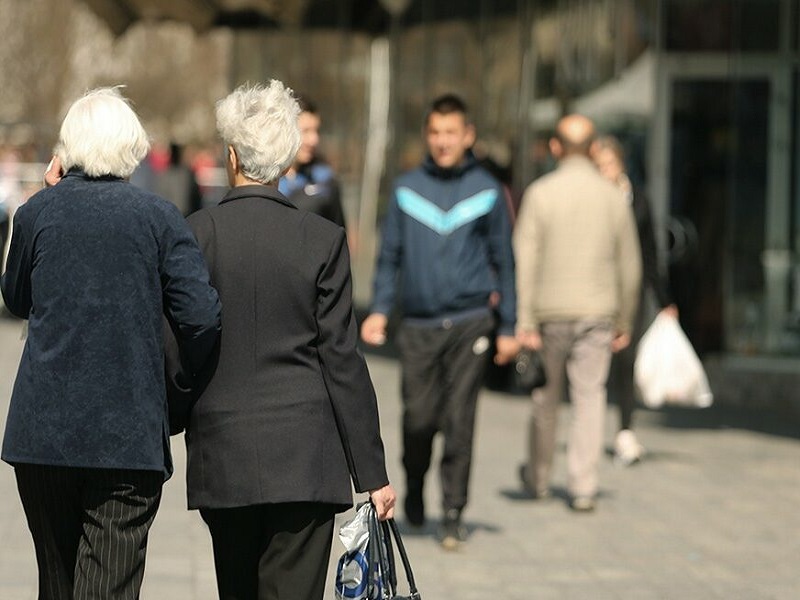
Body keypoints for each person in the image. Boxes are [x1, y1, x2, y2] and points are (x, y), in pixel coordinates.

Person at [172, 81, 396, 600]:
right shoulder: (322, 240)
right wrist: (372, 471)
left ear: (231, 156)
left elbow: (178, 343)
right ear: (288, 160)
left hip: (223, 453)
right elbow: (341, 356)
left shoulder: (195, 234)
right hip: (305, 458)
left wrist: (174, 416)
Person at [0, 87, 221, 599]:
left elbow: (14, 297)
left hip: (42, 434)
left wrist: (44, 194)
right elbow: (201, 317)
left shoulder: (38, 214)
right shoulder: (159, 218)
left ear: (67, 148)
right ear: (133, 146)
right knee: (110, 586)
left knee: (54, 584)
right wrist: (177, 390)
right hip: (127, 437)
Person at [361, 93, 518, 550]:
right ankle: (413, 487)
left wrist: (507, 325)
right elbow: (389, 257)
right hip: (419, 326)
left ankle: (452, 512)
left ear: (467, 136)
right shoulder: (406, 189)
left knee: (460, 420)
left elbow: (504, 261)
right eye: (435, 133)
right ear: (426, 136)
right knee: (418, 419)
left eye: (451, 133)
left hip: (471, 323)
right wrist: (379, 311)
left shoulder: (488, 189)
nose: (443, 141)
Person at [513, 114, 641, 512]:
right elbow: (630, 265)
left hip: (549, 311)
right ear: (592, 148)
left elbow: (524, 257)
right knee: (590, 396)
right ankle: (583, 485)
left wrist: (525, 319)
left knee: (545, 397)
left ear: (555, 147)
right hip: (598, 311)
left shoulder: (540, 193)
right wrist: (625, 319)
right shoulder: (611, 196)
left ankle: (538, 476)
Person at [592, 135, 678, 466]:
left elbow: (649, 251)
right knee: (596, 361)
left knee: (626, 359)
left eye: (609, 165)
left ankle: (625, 430)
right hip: (596, 291)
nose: (605, 172)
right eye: (599, 167)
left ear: (621, 165)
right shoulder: (592, 202)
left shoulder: (638, 200)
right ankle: (592, 426)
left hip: (630, 292)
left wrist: (664, 297)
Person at [278, 96, 345, 227]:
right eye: (306, 131)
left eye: (317, 131)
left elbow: (339, 231)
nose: (314, 140)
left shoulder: (325, 180)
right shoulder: (267, 178)